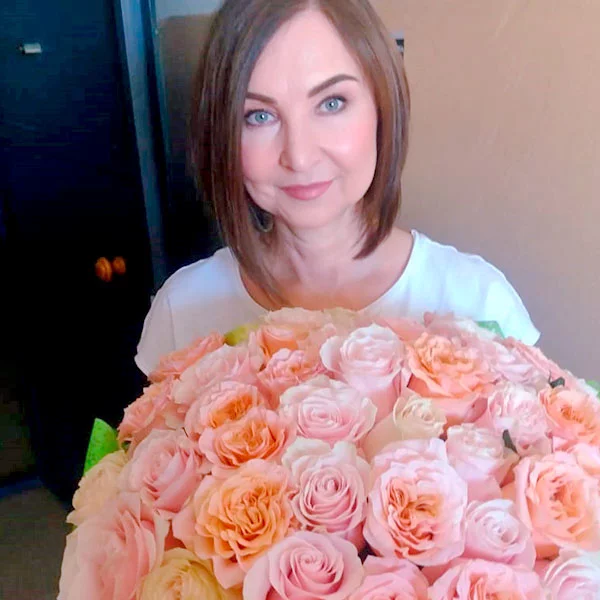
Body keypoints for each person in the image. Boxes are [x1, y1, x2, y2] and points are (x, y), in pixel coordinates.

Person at [135, 0, 540, 377]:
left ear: (382, 107)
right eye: (258, 116)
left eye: (331, 103)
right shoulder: (182, 311)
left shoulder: (478, 302)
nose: (300, 157)